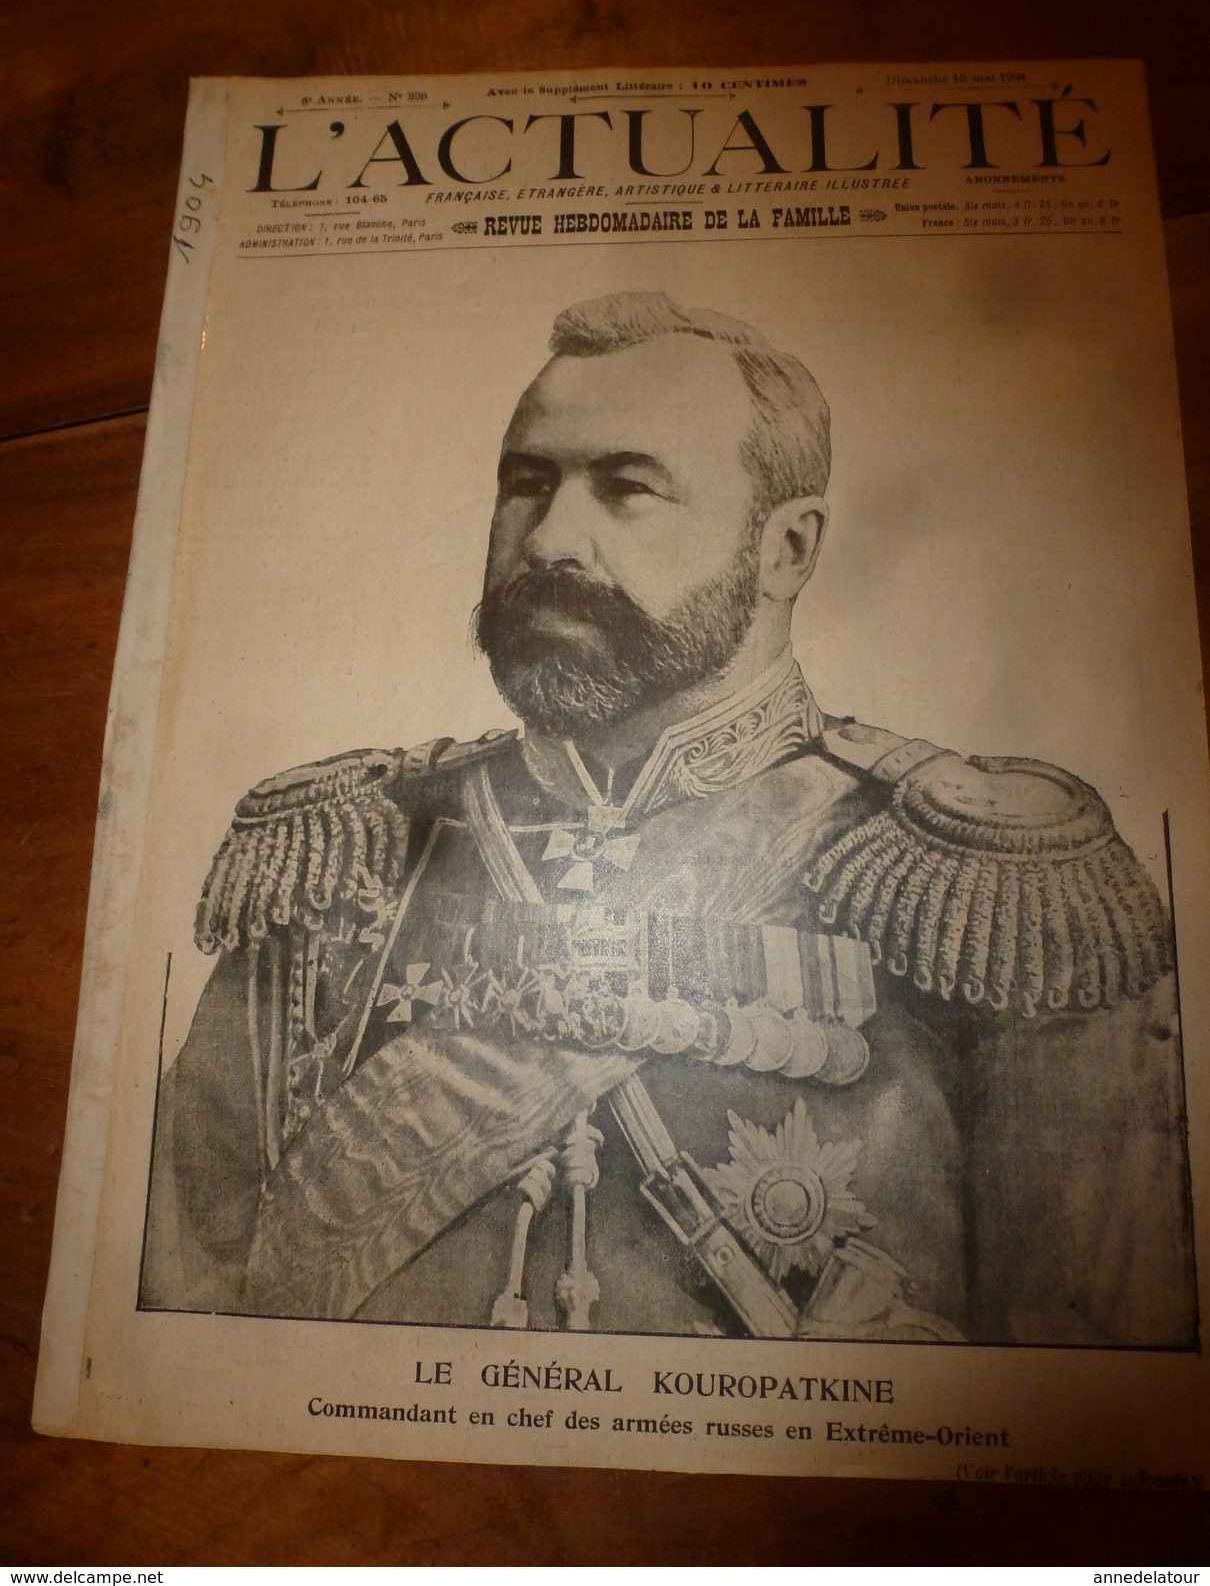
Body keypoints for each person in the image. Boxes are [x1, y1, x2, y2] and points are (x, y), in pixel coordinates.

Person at [142, 291, 1196, 1346]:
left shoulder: (990, 882)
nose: (552, 538)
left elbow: (1096, 1364)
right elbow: (190, 1302)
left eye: (627, 490)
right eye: (527, 484)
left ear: (786, 550)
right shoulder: (342, 851)